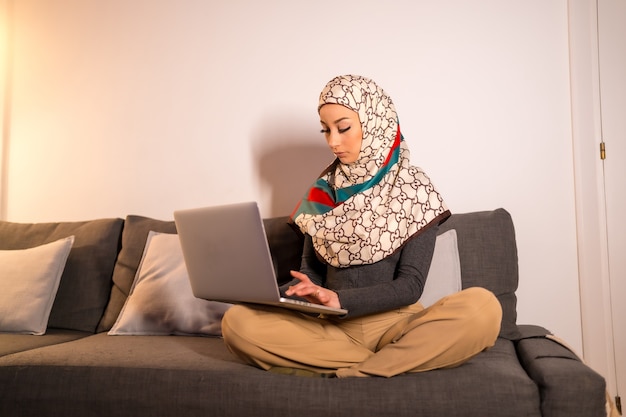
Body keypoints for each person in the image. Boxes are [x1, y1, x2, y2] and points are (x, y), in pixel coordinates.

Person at [221, 74, 502, 378]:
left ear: (375, 122)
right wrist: (265, 294)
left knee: (483, 307)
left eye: (343, 128)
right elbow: (311, 277)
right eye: (325, 130)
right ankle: (387, 367)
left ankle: (355, 372)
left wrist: (341, 299)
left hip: (399, 327)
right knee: (237, 323)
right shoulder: (321, 193)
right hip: (332, 330)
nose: (333, 142)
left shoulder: (413, 188)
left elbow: (411, 286)